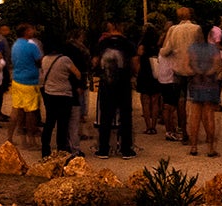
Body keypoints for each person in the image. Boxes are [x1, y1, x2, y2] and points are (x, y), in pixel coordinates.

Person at [94, 20, 138, 159]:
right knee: (125, 115)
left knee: (106, 115)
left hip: (106, 83)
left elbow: (95, 61)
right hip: (123, 83)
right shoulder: (129, 44)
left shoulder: (102, 44)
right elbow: (135, 64)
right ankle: (126, 149)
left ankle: (103, 149)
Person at [158, 7, 202, 142]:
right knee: (195, 102)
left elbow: (166, 51)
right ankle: (194, 131)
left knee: (180, 101)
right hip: (194, 70)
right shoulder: (197, 29)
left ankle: (183, 132)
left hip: (178, 70)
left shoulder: (173, 30)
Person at [39, 37, 81, 158]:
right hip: (64, 94)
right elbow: (77, 74)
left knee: (49, 122)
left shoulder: (45, 59)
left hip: (49, 93)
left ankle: (45, 149)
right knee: (62, 124)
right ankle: (61, 149)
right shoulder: (64, 59)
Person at [186, 23, 222, 156]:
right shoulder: (213, 49)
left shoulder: (192, 48)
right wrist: (208, 73)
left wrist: (199, 72)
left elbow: (190, 64)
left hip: (196, 82)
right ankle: (210, 148)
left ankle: (194, 146)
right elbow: (217, 65)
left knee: (194, 116)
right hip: (210, 84)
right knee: (209, 116)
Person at [7, 24, 43, 150]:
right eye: (31, 29)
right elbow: (39, 61)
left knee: (16, 109)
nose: (33, 31)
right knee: (31, 112)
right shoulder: (31, 46)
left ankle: (10, 138)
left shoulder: (15, 45)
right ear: (26, 32)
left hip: (17, 79)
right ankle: (31, 141)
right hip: (29, 81)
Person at [63, 28, 92, 154]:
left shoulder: (66, 48)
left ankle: (68, 139)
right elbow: (85, 63)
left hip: (70, 81)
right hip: (80, 78)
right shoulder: (80, 49)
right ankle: (77, 137)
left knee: (73, 111)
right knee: (79, 107)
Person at [136, 23, 162, 135]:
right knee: (155, 101)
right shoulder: (157, 45)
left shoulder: (142, 45)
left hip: (144, 74)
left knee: (145, 101)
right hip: (155, 74)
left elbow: (138, 59)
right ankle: (154, 126)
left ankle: (148, 126)